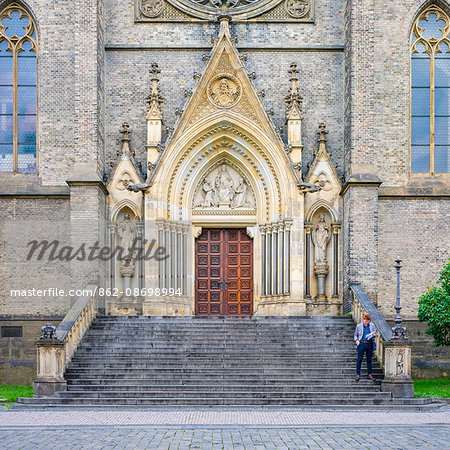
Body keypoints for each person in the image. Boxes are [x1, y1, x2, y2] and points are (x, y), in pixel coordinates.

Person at [354, 312, 377, 381]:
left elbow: (374, 333)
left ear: (369, 320)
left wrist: (373, 335)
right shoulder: (359, 326)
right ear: (362, 319)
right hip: (361, 344)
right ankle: (358, 374)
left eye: (367, 320)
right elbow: (355, 335)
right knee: (359, 359)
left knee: (369, 359)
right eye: (364, 320)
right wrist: (356, 340)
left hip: (369, 343)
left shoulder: (372, 326)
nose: (365, 321)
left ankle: (369, 374)